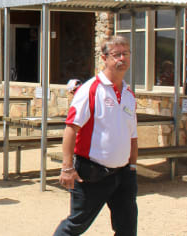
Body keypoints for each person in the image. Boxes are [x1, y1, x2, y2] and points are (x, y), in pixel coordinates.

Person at [54, 36, 138, 236]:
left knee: (127, 229)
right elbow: (71, 128)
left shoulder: (128, 93)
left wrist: (133, 168)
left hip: (124, 173)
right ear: (104, 58)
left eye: (125, 53)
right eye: (116, 54)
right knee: (76, 225)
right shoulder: (90, 89)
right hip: (92, 173)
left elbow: (132, 135)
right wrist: (67, 168)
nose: (122, 59)